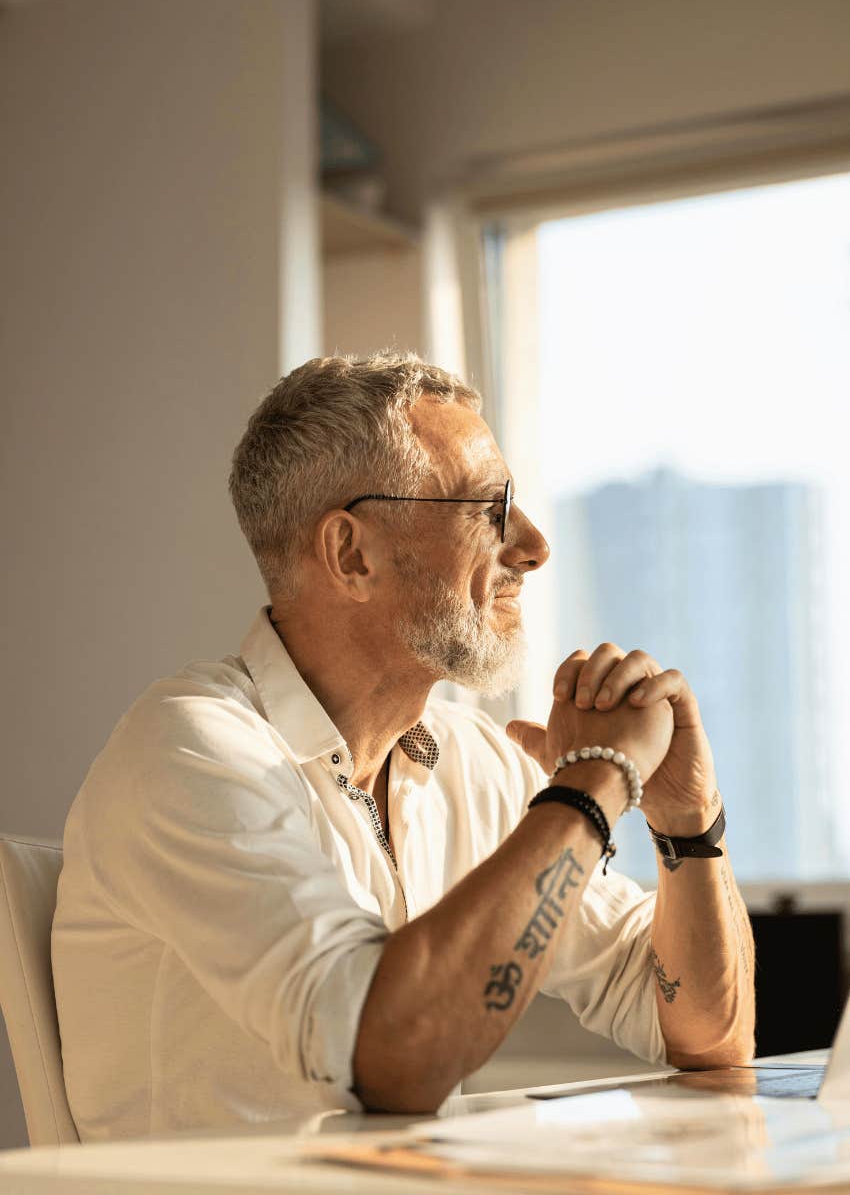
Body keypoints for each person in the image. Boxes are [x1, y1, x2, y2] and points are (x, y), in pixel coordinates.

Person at [52, 353, 755, 1142]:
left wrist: (687, 820)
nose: (533, 544)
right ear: (353, 555)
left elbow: (705, 1035)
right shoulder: (190, 750)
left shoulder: (472, 762)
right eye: (490, 507)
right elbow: (392, 1063)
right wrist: (596, 783)